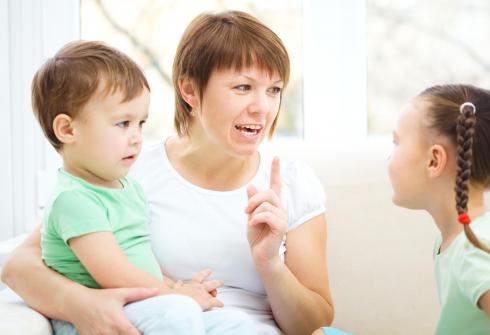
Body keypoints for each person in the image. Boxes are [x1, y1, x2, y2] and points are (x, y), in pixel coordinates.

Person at [2, 11, 334, 335]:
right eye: (243, 87)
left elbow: (311, 323)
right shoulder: (126, 169)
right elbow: (19, 266)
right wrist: (82, 305)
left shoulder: (292, 184)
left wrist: (270, 262)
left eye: (274, 90)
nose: (263, 107)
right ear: (190, 91)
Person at [31, 40, 252, 335]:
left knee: (234, 323)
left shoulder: (128, 187)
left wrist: (177, 286)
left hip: (145, 305)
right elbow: (113, 273)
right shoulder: (73, 199)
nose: (136, 137)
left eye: (140, 124)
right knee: (179, 312)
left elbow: (141, 260)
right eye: (122, 124)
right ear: (68, 130)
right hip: (103, 315)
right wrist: (177, 296)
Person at [387, 84, 490, 334]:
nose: (389, 155)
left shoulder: (479, 251)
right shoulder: (457, 240)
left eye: (396, 142)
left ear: (434, 160)